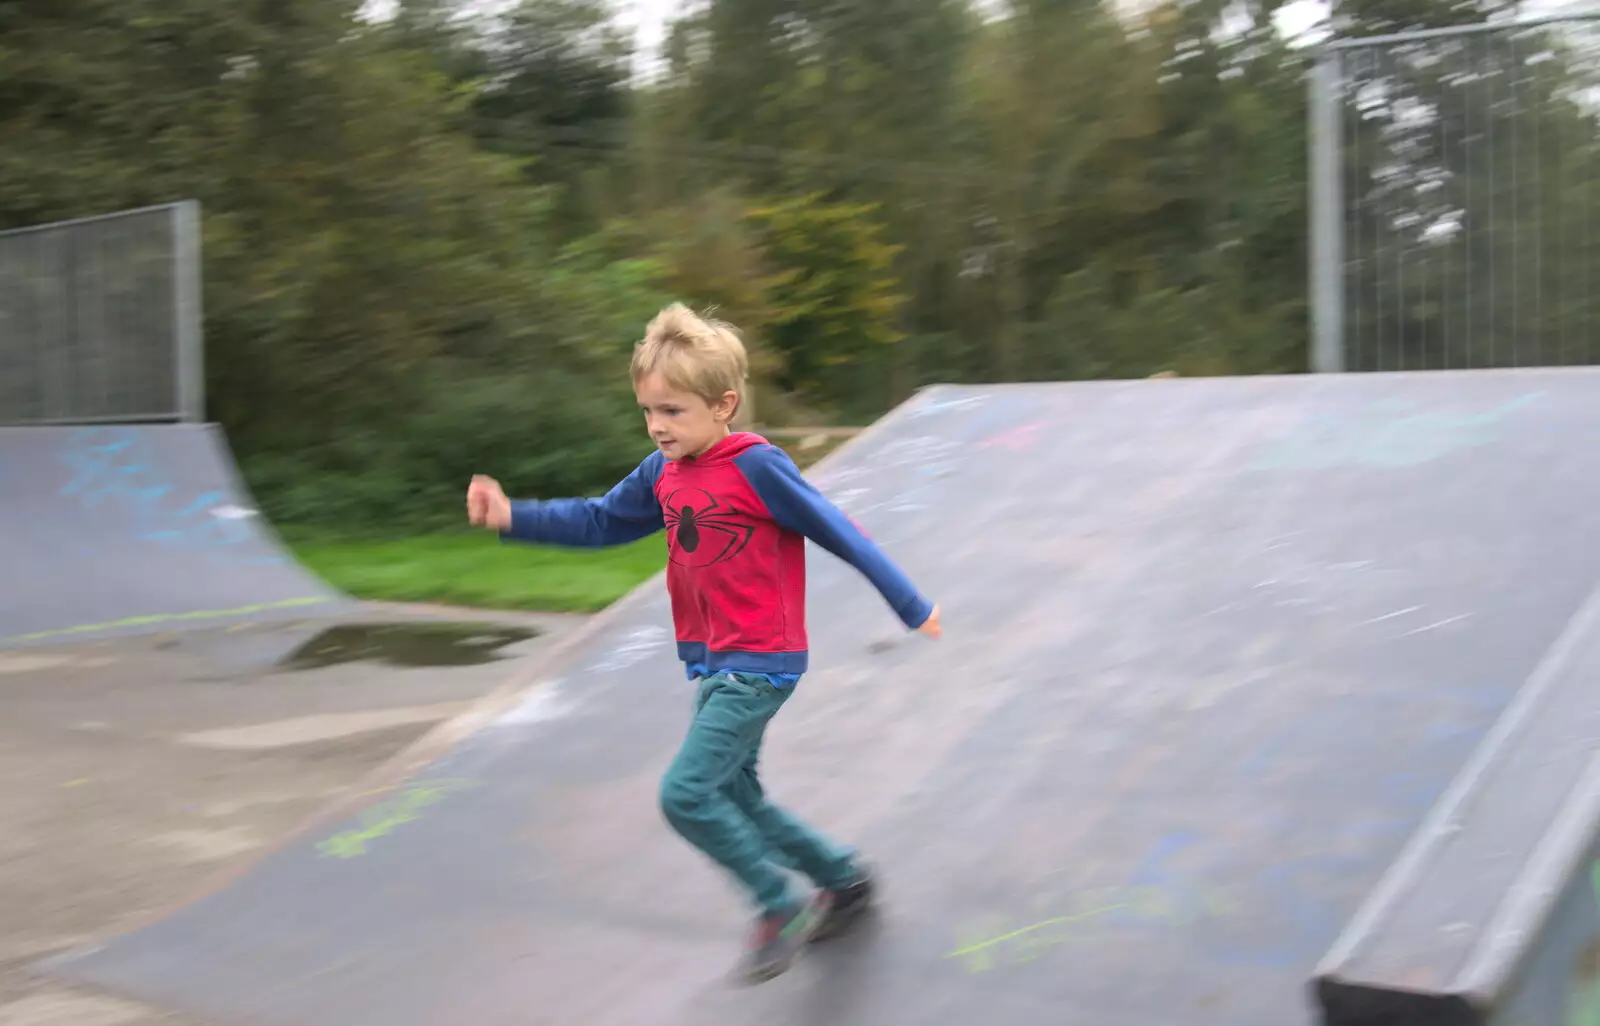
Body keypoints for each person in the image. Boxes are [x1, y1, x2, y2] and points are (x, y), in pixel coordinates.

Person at [466, 302, 941, 983]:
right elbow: (601, 522)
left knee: (686, 794)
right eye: (648, 412)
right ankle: (843, 880)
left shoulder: (757, 468)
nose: (658, 426)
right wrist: (513, 515)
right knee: (738, 797)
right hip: (715, 663)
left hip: (762, 664)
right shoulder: (662, 473)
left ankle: (778, 905)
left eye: (673, 411)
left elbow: (836, 529)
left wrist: (909, 602)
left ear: (723, 405)